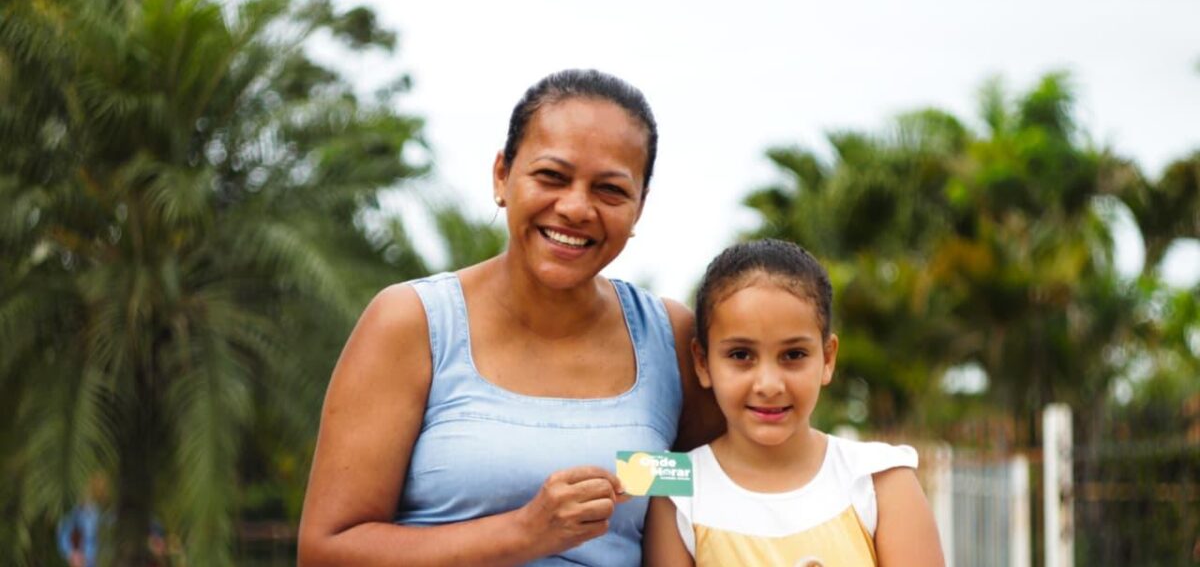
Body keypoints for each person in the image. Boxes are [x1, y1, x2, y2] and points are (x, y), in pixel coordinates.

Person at [297, 69, 720, 566]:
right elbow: (324, 553)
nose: (576, 208)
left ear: (639, 207)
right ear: (502, 175)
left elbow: (729, 494)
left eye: (609, 190)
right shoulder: (412, 323)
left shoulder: (670, 338)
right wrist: (523, 532)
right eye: (552, 176)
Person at [643, 239, 945, 566]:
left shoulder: (879, 479)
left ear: (827, 358)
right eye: (741, 355)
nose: (769, 385)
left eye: (794, 355)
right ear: (702, 362)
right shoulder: (676, 492)